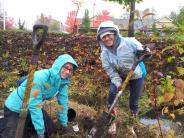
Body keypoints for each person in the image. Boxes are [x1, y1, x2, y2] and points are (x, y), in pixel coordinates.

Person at [0, 54, 78, 138]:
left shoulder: (63, 83)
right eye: (65, 67)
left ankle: (30, 125)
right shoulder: (40, 77)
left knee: (50, 130)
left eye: (70, 70)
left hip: (32, 109)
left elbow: (63, 103)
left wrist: (64, 124)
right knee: (12, 135)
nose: (67, 72)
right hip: (16, 108)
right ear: (58, 66)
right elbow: (34, 105)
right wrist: (40, 131)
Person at [96, 21, 151, 135]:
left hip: (136, 74)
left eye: (108, 35)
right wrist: (117, 82)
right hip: (119, 75)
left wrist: (147, 53)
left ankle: (132, 123)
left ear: (114, 33)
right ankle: (112, 121)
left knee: (134, 102)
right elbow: (110, 70)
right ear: (101, 40)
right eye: (103, 37)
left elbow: (144, 54)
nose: (106, 39)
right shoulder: (104, 53)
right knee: (112, 94)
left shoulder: (130, 42)